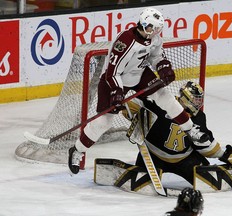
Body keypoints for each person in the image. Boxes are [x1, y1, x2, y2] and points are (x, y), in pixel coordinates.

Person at [68, 7, 209, 174]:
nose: (156, 31)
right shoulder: (125, 42)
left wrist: (164, 67)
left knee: (164, 95)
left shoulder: (154, 39)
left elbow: (156, 57)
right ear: (144, 25)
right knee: (104, 122)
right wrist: (117, 93)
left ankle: (190, 128)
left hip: (139, 73)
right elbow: (113, 72)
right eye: (153, 28)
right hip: (114, 80)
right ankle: (77, 150)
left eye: (158, 28)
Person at [123, 81, 232, 185]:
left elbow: (204, 143)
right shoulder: (164, 104)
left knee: (208, 179)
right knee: (140, 181)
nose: (198, 103)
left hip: (184, 159)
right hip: (153, 155)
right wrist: (122, 104)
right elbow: (133, 104)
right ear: (185, 98)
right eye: (196, 100)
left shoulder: (199, 117)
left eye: (199, 100)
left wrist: (222, 154)